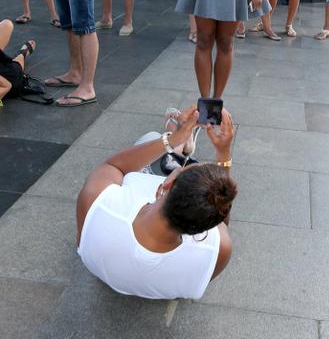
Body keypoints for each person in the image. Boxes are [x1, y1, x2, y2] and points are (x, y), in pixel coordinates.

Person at [76, 105, 237, 300]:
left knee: (150, 139)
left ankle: (176, 141)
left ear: (165, 185)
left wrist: (172, 139)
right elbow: (221, 222)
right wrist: (223, 154)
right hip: (161, 288)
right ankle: (182, 148)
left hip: (104, 271)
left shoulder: (100, 202)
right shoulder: (220, 249)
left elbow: (112, 165)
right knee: (166, 155)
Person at [0, 19, 36, 105]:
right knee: (18, 61)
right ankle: (23, 52)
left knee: (7, 24)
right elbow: (7, 86)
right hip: (9, 76)